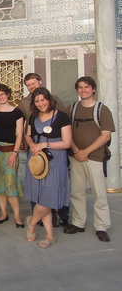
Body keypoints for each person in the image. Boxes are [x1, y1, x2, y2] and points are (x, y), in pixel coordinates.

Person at [64, 76, 115, 242]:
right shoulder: (71, 109)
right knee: (76, 192)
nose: (83, 90)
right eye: (80, 87)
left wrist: (86, 151)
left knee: (99, 193)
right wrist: (77, 151)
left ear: (93, 89)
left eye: (86, 87)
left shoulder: (102, 109)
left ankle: (101, 226)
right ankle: (78, 222)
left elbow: (105, 136)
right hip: (75, 156)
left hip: (94, 157)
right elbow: (65, 132)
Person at [17, 72, 68, 228]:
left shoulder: (54, 99)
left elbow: (63, 124)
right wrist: (30, 144)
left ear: (40, 81)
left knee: (55, 184)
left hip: (55, 150)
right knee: (37, 182)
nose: (31, 86)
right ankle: (37, 217)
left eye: (33, 83)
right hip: (35, 149)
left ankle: (62, 215)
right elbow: (25, 127)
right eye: (28, 85)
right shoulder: (24, 103)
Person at [23, 88, 71, 248]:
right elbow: (28, 135)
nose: (40, 103)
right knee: (41, 196)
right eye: (37, 101)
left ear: (49, 99)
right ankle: (50, 235)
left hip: (55, 160)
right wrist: (32, 145)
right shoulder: (33, 116)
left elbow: (67, 142)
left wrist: (45, 144)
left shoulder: (62, 117)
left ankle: (32, 222)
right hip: (36, 160)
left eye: (43, 100)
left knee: (49, 196)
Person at [0, 83, 24, 228]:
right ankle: (3, 213)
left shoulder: (17, 113)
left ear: (8, 94)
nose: (1, 97)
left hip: (11, 151)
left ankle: (17, 216)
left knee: (11, 184)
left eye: (3, 94)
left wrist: (15, 153)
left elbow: (19, 135)